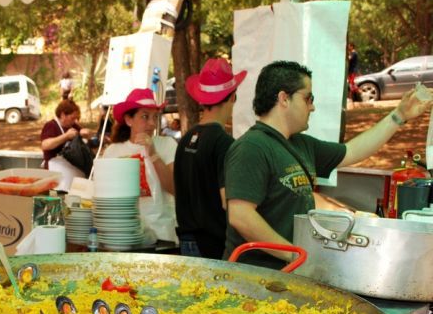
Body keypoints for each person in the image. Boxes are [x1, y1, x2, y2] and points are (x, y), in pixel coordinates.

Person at [224, 60, 433, 269]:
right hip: (254, 276)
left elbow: (352, 151)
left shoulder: (301, 144)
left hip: (287, 274)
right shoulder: (252, 147)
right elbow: (241, 216)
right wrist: (294, 255)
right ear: (284, 98)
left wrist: (399, 116)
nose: (312, 106)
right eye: (308, 98)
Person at [174, 58, 247, 259]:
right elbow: (228, 202)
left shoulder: (186, 138)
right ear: (232, 97)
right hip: (212, 246)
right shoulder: (224, 143)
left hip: (186, 240)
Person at [103, 88, 177, 242]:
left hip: (162, 234)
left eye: (154, 117)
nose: (151, 123)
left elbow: (175, 188)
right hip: (123, 235)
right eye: (145, 116)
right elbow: (104, 196)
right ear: (129, 120)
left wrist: (153, 154)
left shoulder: (167, 145)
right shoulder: (113, 151)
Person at [40, 99, 93, 191]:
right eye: (72, 118)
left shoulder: (74, 126)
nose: (74, 121)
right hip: (55, 173)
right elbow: (45, 145)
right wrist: (65, 136)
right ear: (63, 115)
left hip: (73, 172)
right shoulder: (51, 125)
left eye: (76, 118)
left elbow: (84, 138)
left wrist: (86, 134)